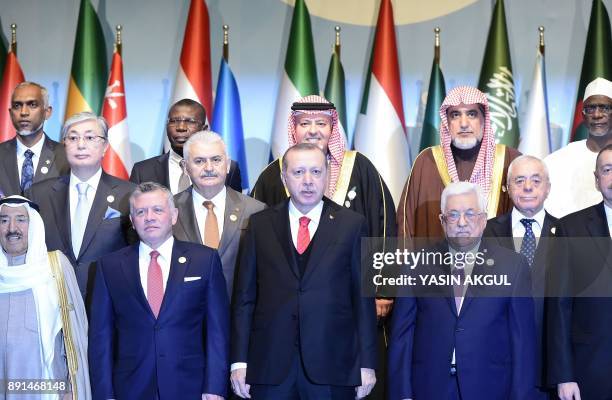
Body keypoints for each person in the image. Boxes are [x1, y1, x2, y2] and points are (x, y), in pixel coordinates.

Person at [231, 143, 377, 399]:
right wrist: (239, 362)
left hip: (333, 367)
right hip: (269, 368)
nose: (308, 181)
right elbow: (245, 299)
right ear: (284, 177)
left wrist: (366, 363)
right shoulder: (260, 224)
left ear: (327, 174)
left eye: (316, 172)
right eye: (298, 172)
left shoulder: (352, 225)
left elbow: (362, 300)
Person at [388, 182, 537, 400]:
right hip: (429, 387)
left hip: (490, 388)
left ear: (483, 219)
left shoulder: (513, 266)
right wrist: (402, 394)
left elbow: (523, 342)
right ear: (442, 220)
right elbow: (402, 335)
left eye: (470, 213)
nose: (462, 223)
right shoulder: (416, 264)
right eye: (453, 215)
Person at [88, 182, 229, 400]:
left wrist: (215, 387)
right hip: (130, 388)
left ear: (173, 216)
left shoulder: (205, 260)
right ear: (132, 221)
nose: (149, 217)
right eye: (141, 212)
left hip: (191, 386)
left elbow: (217, 331)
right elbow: (101, 337)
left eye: (157, 210)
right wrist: (104, 393)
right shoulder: (109, 266)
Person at [27, 112, 135, 300]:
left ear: (105, 146)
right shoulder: (38, 193)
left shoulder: (129, 194)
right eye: (73, 137)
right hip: (51, 300)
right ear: (64, 145)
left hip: (108, 300)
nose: (81, 145)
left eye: (90, 137)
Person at [397, 86, 520, 240]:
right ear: (447, 122)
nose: (464, 123)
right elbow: (405, 225)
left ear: (484, 120)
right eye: (455, 115)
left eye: (472, 114)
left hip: (497, 262)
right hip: (436, 262)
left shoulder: (509, 160)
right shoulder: (427, 162)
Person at [0, 195, 90, 400]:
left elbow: (73, 334)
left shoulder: (55, 266)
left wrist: (70, 389)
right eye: (4, 220)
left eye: (21, 220)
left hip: (46, 386)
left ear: (34, 225)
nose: (12, 228)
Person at [484, 155, 557, 398]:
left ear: (548, 188)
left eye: (536, 181)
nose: (527, 187)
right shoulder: (485, 233)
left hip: (549, 369)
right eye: (520, 180)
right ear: (506, 188)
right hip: (497, 365)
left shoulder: (568, 234)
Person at [547, 144, 612, 400]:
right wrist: (564, 375)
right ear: (597, 180)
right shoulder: (571, 228)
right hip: (590, 372)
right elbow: (560, 307)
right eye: (608, 170)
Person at [173, 131, 265, 298]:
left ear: (228, 164)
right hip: (185, 317)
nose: (209, 168)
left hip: (237, 314)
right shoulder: (169, 210)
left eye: (216, 160)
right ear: (185, 168)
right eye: (199, 161)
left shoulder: (256, 210)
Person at [130, 98, 242, 193]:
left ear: (204, 129)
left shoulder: (227, 168)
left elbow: (235, 211)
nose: (181, 127)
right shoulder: (143, 170)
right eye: (174, 121)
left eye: (190, 121)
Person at [544, 77, 612, 217]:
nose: (597, 115)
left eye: (604, 108)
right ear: (583, 115)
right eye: (590, 109)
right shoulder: (555, 162)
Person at [0, 82, 69, 196]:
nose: (24, 112)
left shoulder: (66, 157)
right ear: (11, 113)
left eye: (32, 105)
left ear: (47, 112)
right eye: (17, 106)